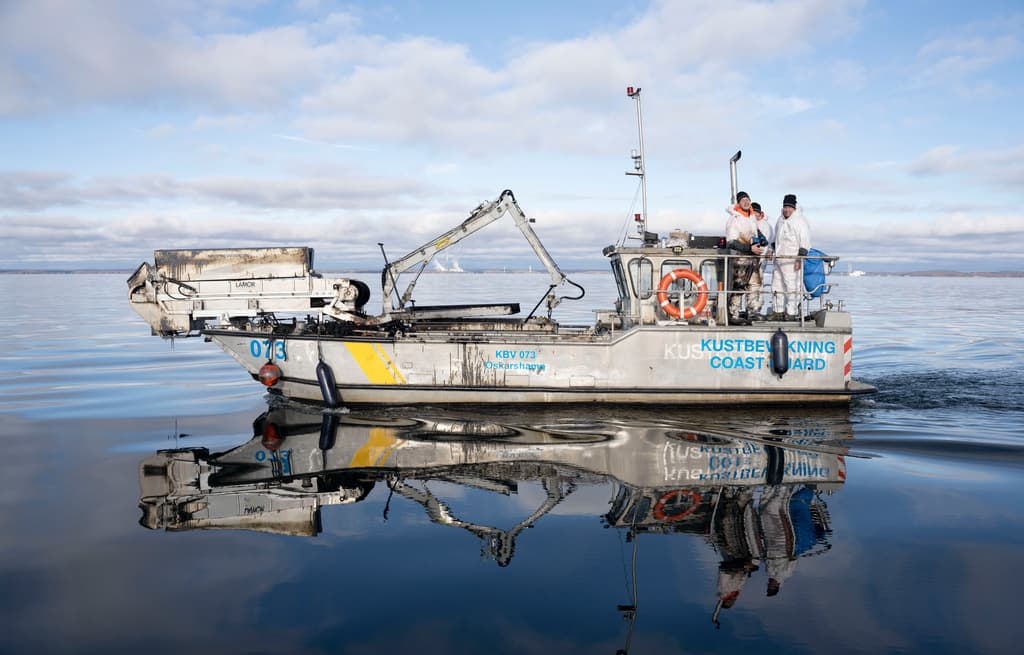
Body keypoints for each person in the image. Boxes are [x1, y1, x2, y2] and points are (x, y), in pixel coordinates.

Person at [725, 191, 765, 325]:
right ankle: (733, 314)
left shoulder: (752, 217)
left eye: (748, 200)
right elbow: (731, 242)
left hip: (753, 258)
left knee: (754, 285)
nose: (746, 202)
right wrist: (749, 248)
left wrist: (762, 240)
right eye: (743, 201)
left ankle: (753, 312)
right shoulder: (734, 219)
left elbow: (755, 232)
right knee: (738, 286)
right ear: (738, 203)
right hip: (740, 258)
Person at [771, 194, 811, 320]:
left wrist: (800, 258)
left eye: (789, 207)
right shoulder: (780, 220)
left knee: (792, 287)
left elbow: (805, 241)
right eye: (785, 207)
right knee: (776, 286)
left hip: (792, 261)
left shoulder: (800, 221)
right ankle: (778, 311)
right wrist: (772, 250)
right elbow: (776, 238)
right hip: (779, 259)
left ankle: (791, 312)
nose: (787, 209)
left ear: (794, 208)